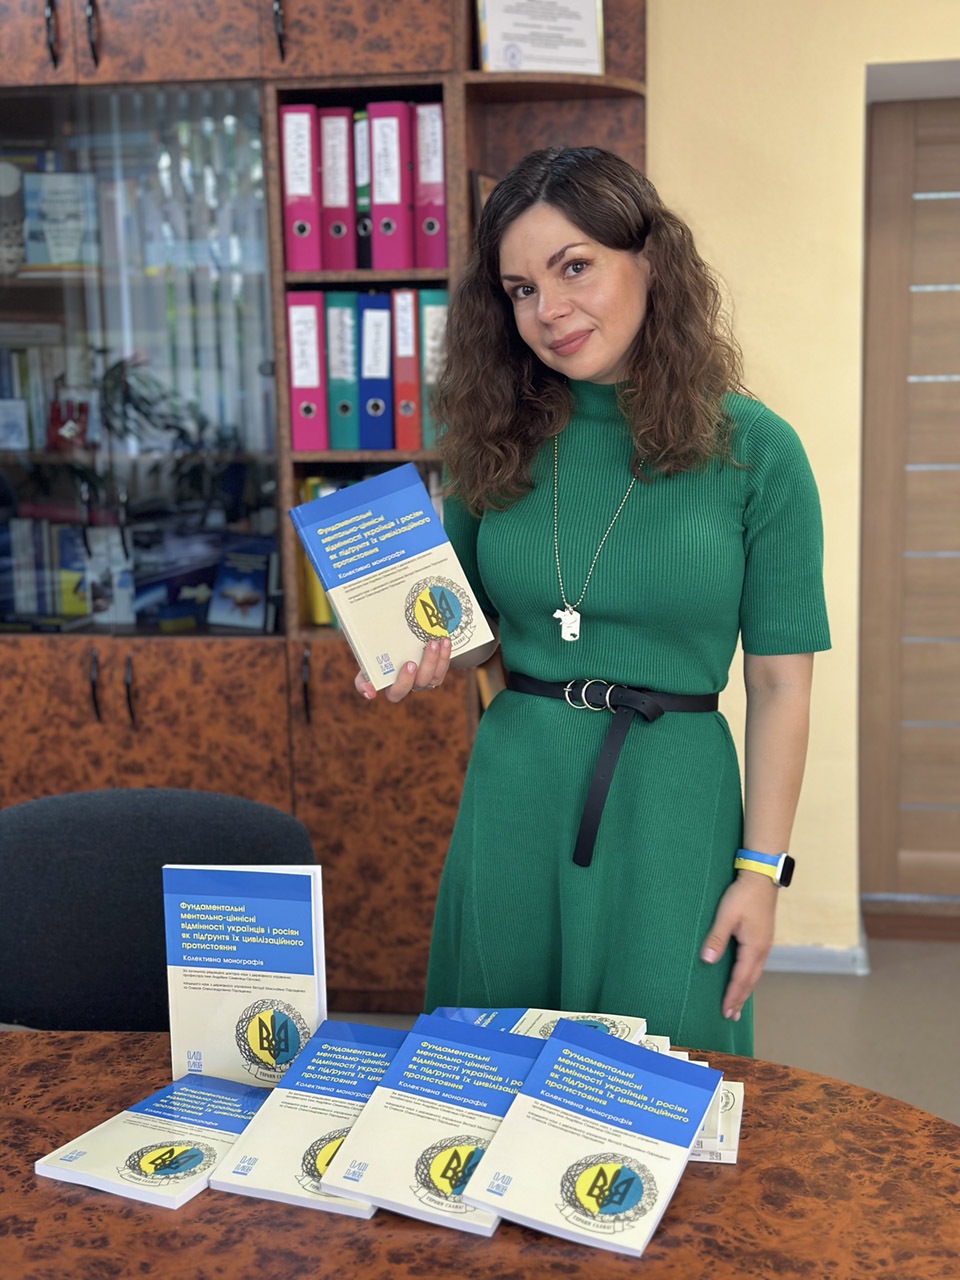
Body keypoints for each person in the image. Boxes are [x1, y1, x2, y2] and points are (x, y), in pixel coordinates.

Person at [355, 146, 830, 1055]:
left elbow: (780, 687)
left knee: (655, 1083)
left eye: (574, 267)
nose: (549, 309)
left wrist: (761, 871)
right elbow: (471, 637)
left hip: (673, 798)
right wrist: (416, 656)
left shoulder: (758, 453)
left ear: (650, 261)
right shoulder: (494, 440)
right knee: (485, 1073)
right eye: (521, 289)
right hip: (516, 791)